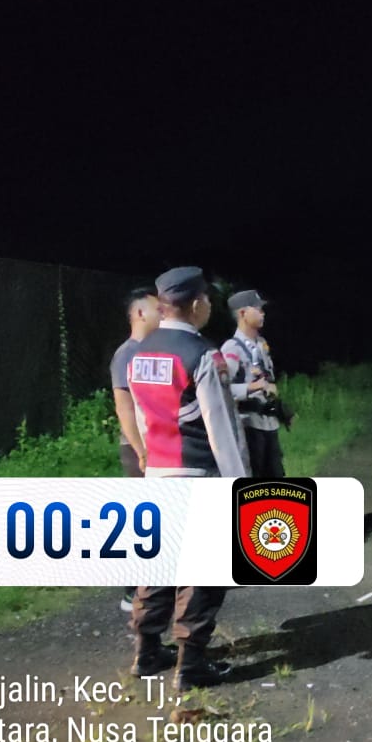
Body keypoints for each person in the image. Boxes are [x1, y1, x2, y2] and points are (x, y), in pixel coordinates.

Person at [127, 266, 249, 691]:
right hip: (197, 475)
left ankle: (146, 651)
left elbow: (143, 419)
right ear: (196, 304)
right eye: (208, 300)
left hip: (158, 475)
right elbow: (222, 429)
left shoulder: (140, 352)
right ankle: (191, 662)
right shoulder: (203, 355)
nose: (209, 307)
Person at [109, 287, 160, 613]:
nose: (163, 313)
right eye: (157, 308)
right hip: (138, 448)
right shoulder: (127, 354)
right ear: (140, 313)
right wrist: (141, 449)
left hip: (158, 447)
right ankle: (133, 593)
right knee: (145, 520)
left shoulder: (156, 351)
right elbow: (124, 407)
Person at [222, 289, 287, 477]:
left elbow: (267, 378)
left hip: (269, 424)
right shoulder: (232, 348)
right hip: (249, 427)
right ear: (243, 313)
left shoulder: (261, 344)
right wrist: (251, 388)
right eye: (258, 309)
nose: (263, 313)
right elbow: (222, 389)